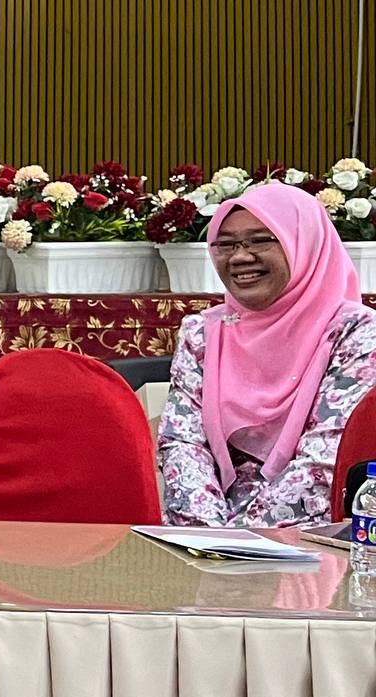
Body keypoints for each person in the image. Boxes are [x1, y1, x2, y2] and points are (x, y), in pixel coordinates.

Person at [159, 181, 376, 525]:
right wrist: (205, 534)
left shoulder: (356, 333)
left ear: (303, 244)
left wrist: (242, 540)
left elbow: (324, 460)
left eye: (260, 240)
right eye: (225, 244)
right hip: (207, 534)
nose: (240, 257)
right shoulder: (203, 333)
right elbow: (182, 443)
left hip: (310, 536)